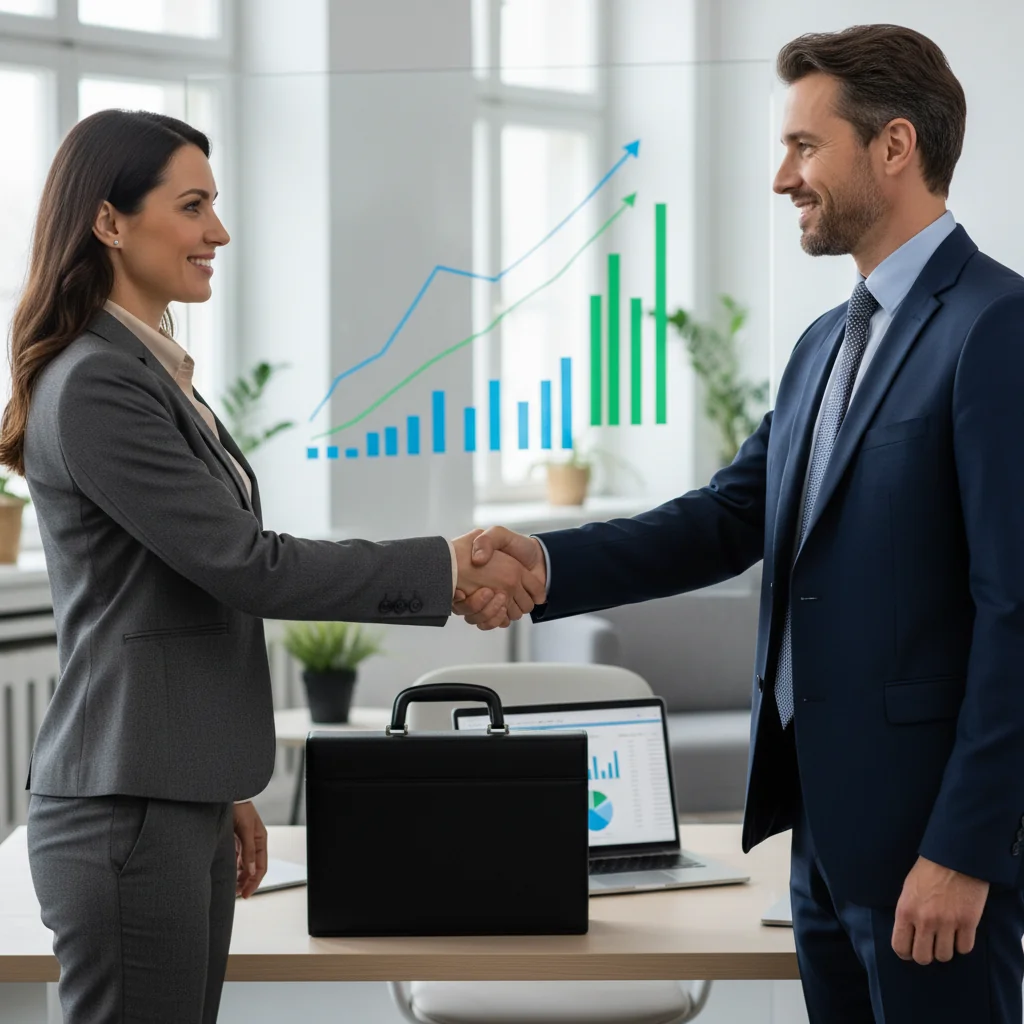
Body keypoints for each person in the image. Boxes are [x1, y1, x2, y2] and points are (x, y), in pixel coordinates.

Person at [457, 23, 1024, 1024]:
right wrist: (543, 564)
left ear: (893, 147)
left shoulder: (994, 327)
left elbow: (1014, 614)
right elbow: (727, 517)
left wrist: (963, 849)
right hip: (824, 839)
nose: (781, 177)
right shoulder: (822, 344)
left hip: (930, 849)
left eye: (805, 146)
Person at [2, 109, 533, 1023]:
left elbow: (177, 598)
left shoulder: (145, 368)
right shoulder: (98, 381)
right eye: (194, 205)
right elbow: (242, 565)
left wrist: (215, 788)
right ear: (108, 222)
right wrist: (446, 571)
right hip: (128, 808)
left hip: (167, 792)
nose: (220, 231)